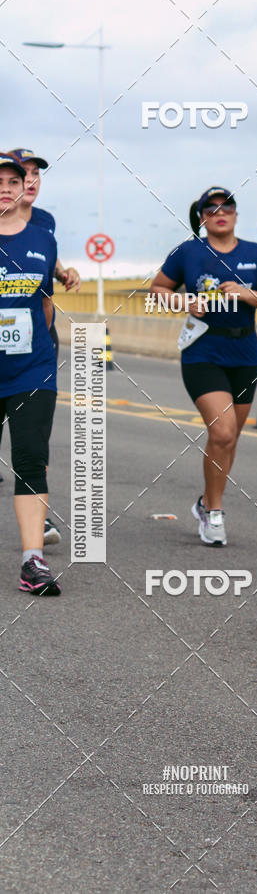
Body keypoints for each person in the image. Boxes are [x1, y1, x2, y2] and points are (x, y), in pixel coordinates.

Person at [150, 186, 257, 545]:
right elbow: (158, 290)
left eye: (227, 206)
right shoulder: (188, 253)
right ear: (202, 217)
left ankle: (205, 501)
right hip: (202, 351)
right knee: (222, 432)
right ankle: (214, 513)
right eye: (211, 208)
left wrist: (246, 293)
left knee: (229, 439)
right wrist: (185, 302)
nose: (220, 212)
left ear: (236, 213)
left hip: (243, 352)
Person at [9, 147, 81, 546]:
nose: (31, 180)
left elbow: (44, 270)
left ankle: (38, 529)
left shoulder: (45, 223)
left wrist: (64, 272)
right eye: (24, 173)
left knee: (33, 441)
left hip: (35, 342)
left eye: (36, 174)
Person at [0, 154, 61, 595]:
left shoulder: (44, 238)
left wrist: (44, 349)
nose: (5, 188)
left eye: (13, 180)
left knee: (29, 459)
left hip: (32, 370)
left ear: (26, 187)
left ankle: (32, 560)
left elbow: (45, 302)